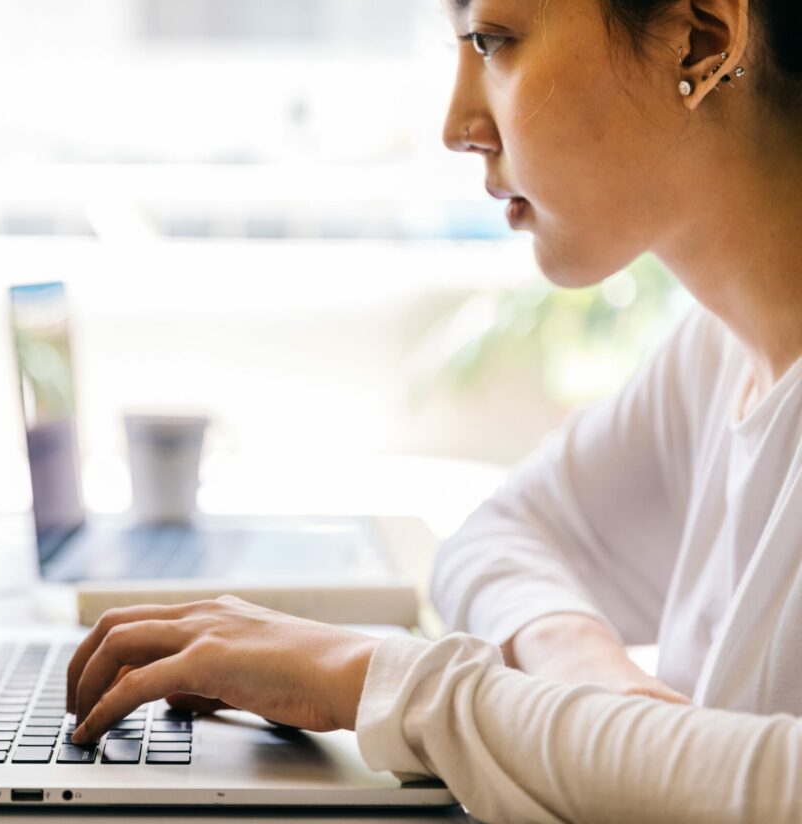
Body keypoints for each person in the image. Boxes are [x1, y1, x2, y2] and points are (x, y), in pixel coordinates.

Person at [66, 0, 802, 820]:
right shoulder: (718, 355)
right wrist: (594, 691)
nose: (457, 125)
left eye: (493, 40)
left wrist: (376, 684)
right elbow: (497, 536)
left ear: (699, 40)